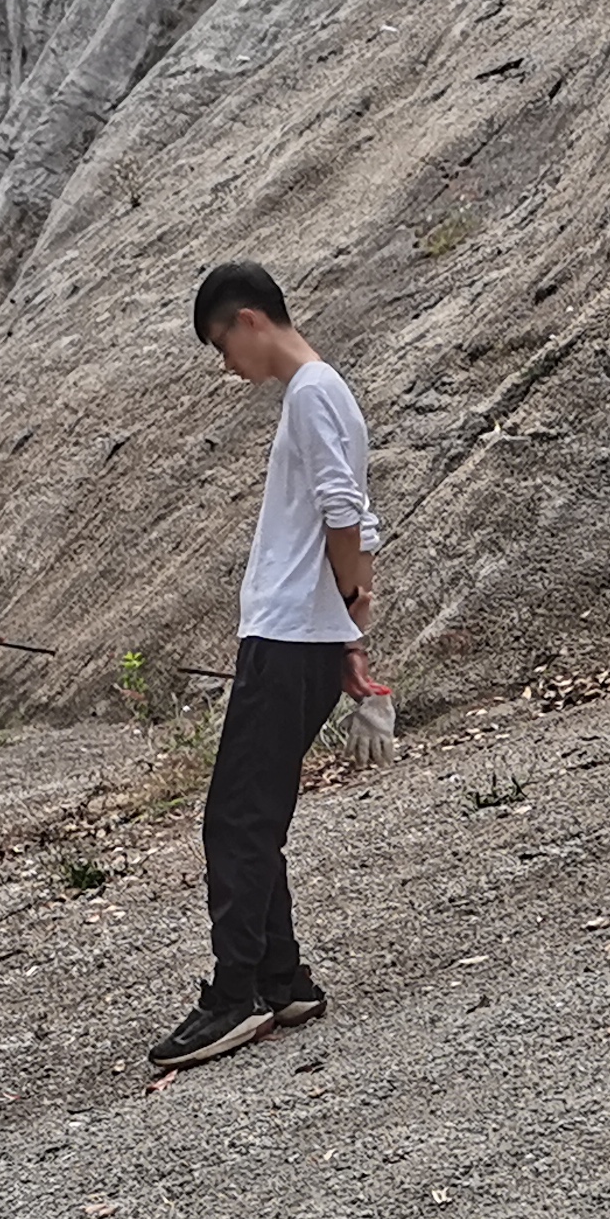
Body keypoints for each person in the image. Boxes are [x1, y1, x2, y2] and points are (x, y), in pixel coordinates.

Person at [153, 260, 379, 1072]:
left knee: (236, 821)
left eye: (222, 345)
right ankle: (283, 980)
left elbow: (343, 513)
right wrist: (351, 635)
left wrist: (345, 611)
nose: (227, 365)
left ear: (249, 320)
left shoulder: (313, 392)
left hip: (287, 639)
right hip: (303, 635)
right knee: (255, 813)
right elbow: (351, 513)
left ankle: (235, 994)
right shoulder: (325, 393)